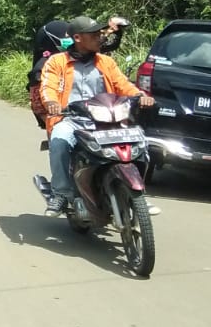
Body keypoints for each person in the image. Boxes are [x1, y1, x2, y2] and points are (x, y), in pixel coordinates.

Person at [39, 16, 154, 216]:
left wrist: (140, 95)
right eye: (94, 35)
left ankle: (138, 193)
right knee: (59, 141)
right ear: (77, 38)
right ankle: (61, 194)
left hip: (108, 118)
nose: (100, 37)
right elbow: (48, 86)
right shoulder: (56, 62)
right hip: (72, 119)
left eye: (100, 33)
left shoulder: (106, 62)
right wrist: (52, 103)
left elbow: (123, 84)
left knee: (140, 141)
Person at [27, 17, 130, 129]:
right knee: (60, 135)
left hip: (101, 113)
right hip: (67, 118)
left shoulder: (98, 57)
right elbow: (46, 91)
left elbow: (122, 84)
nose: (98, 39)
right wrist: (53, 108)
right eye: (93, 35)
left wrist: (116, 31)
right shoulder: (47, 66)